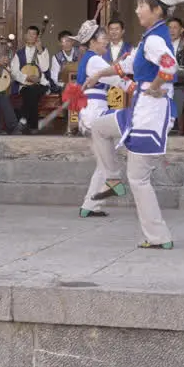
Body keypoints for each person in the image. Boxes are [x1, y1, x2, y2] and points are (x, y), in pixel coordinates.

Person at [83, 0, 184, 250]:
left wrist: (156, 85)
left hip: (150, 114)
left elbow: (169, 66)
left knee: (139, 178)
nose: (137, 10)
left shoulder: (155, 39)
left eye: (141, 5)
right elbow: (125, 66)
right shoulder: (150, 37)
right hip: (139, 110)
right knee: (99, 127)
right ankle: (112, 177)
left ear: (156, 9)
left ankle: (158, 236)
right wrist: (98, 75)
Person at [72, 20, 128, 218]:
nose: (106, 41)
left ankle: (91, 205)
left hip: (93, 112)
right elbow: (116, 78)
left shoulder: (90, 58)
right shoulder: (94, 60)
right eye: (103, 38)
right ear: (93, 41)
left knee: (104, 162)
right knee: (107, 161)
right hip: (96, 113)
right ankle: (92, 203)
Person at [10, 25, 52, 134]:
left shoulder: (43, 50)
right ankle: (33, 126)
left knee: (32, 90)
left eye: (34, 34)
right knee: (30, 91)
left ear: (37, 37)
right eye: (29, 34)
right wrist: (26, 78)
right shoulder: (19, 53)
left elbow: (45, 68)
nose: (31, 36)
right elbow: (14, 72)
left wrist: (39, 51)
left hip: (41, 84)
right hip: (25, 84)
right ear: (25, 36)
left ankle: (23, 120)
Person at [50, 30, 82, 95]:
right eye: (63, 42)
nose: (66, 44)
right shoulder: (56, 57)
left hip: (81, 84)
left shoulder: (81, 52)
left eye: (68, 41)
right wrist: (65, 84)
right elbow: (54, 76)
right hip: (65, 86)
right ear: (59, 43)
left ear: (73, 41)